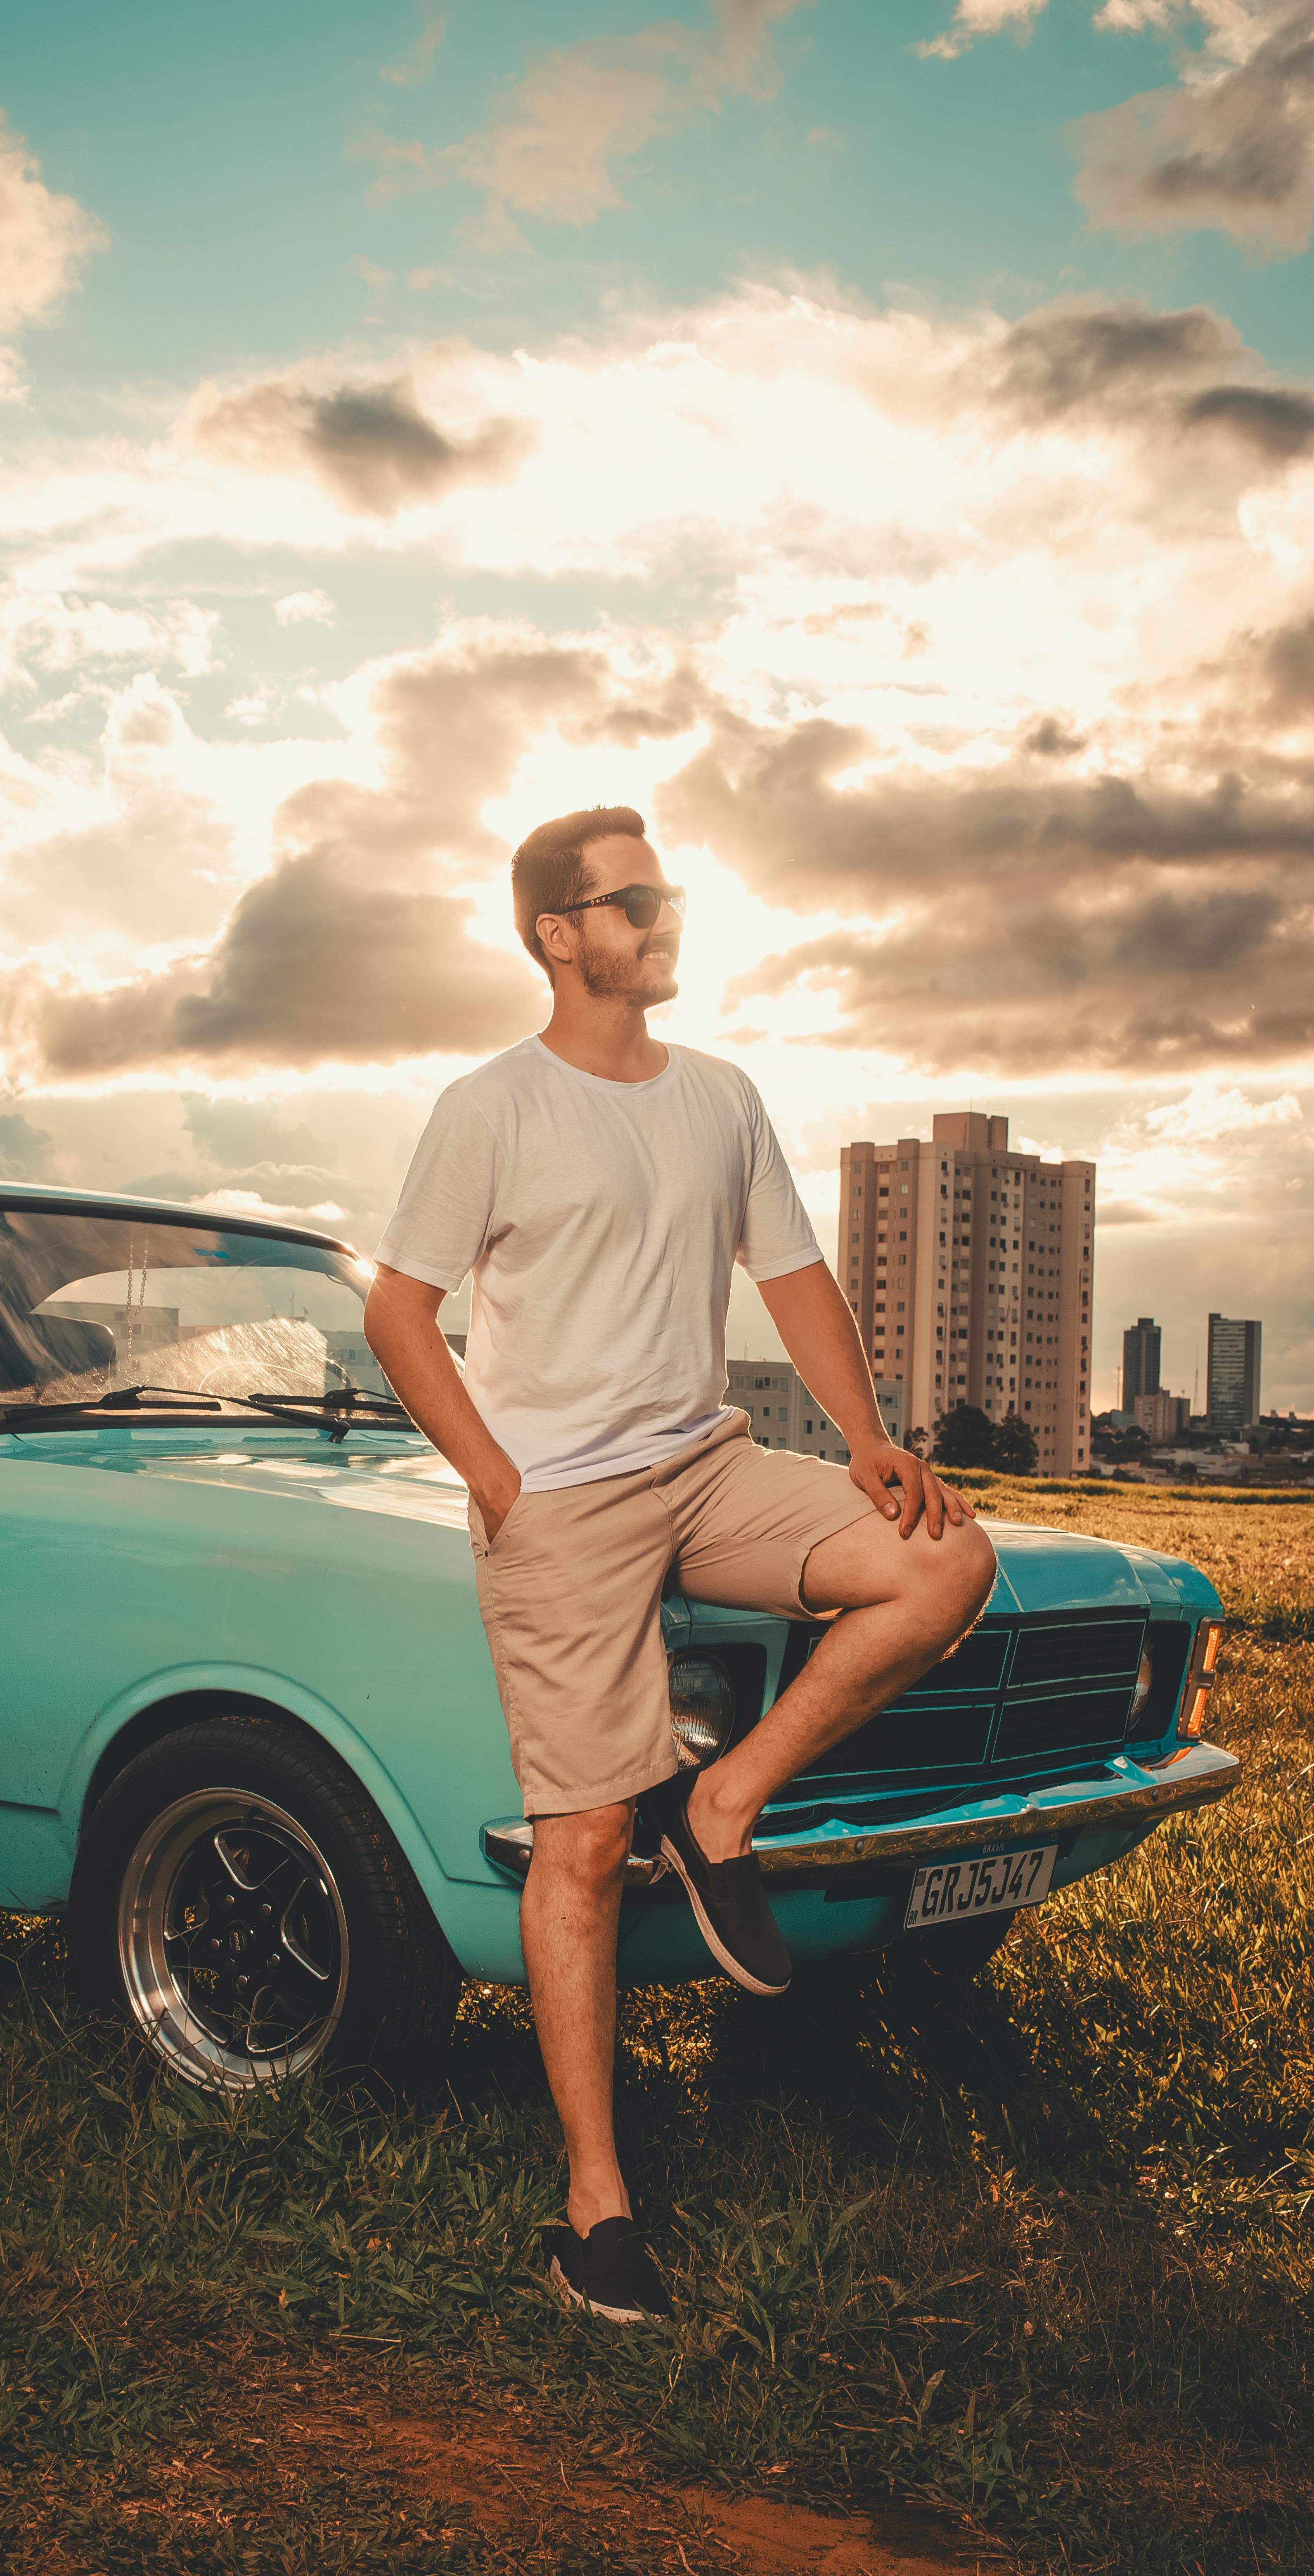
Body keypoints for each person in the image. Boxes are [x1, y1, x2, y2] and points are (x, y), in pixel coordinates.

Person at [363, 806, 995, 2327]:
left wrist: (868, 1439)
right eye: (631, 901)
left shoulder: (719, 1097)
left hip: (709, 1466)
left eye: (666, 893)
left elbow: (794, 1277)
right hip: (561, 1505)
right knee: (579, 1846)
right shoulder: (491, 1105)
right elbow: (400, 1312)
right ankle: (596, 2211)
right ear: (555, 936)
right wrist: (500, 1480)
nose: (663, 920)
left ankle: (719, 1801)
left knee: (943, 1564)